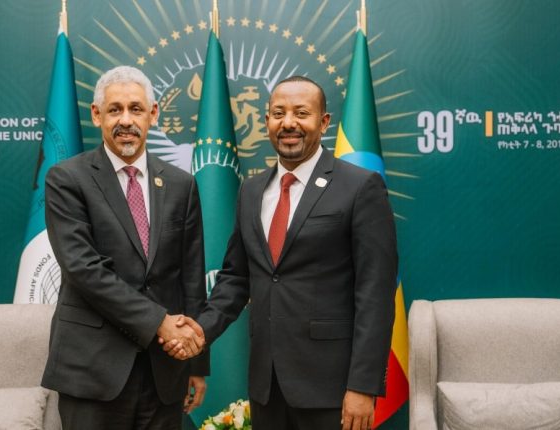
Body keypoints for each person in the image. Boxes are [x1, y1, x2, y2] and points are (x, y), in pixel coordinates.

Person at [164, 76, 398, 430]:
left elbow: (375, 295)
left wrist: (363, 386)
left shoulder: (360, 187)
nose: (288, 123)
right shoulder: (252, 191)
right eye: (278, 113)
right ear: (267, 121)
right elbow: (236, 279)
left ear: (323, 122)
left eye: (301, 113)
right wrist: (199, 332)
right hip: (267, 387)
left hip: (333, 389)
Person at [41, 65, 208, 430]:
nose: (126, 120)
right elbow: (84, 269)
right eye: (115, 109)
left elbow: (191, 276)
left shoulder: (181, 184)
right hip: (93, 369)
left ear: (153, 113)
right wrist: (159, 323)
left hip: (165, 370)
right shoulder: (67, 179)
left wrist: (195, 361)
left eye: (136, 108)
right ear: (96, 115)